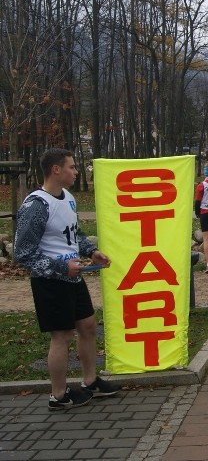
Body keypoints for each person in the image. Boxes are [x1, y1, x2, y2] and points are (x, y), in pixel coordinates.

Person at [14, 148, 119, 411]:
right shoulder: (36, 204)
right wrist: (60, 267)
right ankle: (58, 396)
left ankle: (90, 381)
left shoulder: (69, 197)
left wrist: (91, 251)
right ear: (55, 169)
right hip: (50, 281)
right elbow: (23, 253)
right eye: (71, 167)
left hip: (73, 278)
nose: (76, 172)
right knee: (61, 336)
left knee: (88, 326)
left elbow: (74, 233)